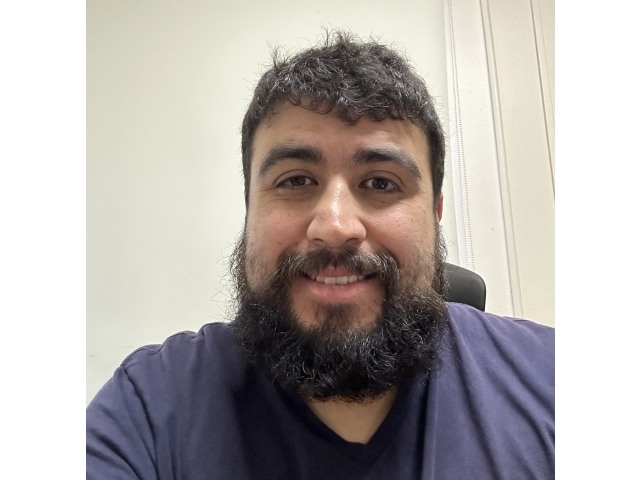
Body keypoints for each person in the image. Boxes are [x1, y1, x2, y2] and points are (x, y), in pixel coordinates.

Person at [86, 31, 554, 479]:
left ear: (435, 214)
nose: (334, 226)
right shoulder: (149, 409)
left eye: (381, 183)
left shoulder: (552, 378)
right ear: (250, 209)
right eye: (295, 180)